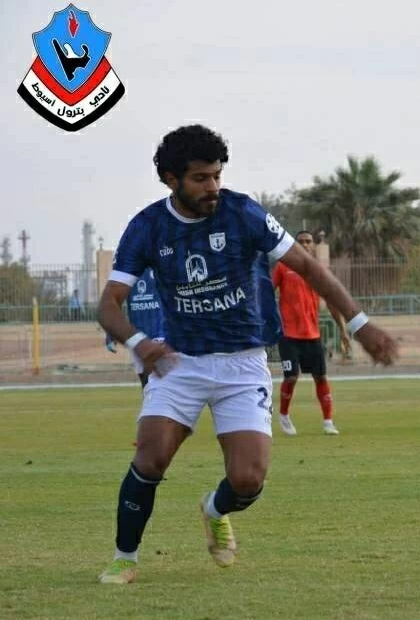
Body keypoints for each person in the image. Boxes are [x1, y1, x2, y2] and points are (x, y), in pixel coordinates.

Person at [96, 124, 398, 584]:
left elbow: (308, 267)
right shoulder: (148, 227)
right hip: (179, 362)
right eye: (200, 178)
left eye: (217, 175)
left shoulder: (243, 214)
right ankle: (125, 557)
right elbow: (108, 305)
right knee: (151, 457)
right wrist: (140, 343)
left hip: (243, 363)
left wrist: (361, 325)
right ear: (171, 179)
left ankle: (215, 510)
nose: (213, 186)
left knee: (248, 479)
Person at [273, 230, 351, 436]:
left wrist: (343, 331)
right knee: (291, 377)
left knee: (321, 377)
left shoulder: (318, 271)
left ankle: (328, 422)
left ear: (314, 245)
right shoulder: (283, 267)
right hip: (288, 334)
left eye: (308, 241)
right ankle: (284, 416)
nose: (305, 244)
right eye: (301, 241)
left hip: (312, 335)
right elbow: (267, 292)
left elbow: (332, 301)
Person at [105, 266, 165, 390]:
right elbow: (115, 300)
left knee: (155, 381)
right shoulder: (128, 270)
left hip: (159, 334)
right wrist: (111, 333)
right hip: (136, 336)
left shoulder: (161, 264)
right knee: (145, 383)